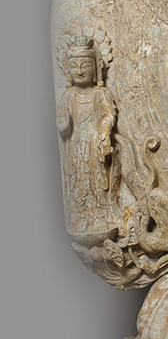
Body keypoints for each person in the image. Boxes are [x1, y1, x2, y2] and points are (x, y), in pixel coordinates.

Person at [57, 36, 118, 234]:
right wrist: (63, 125)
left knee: (98, 181)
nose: (80, 71)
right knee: (78, 182)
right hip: (76, 146)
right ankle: (81, 216)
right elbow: (63, 126)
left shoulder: (99, 94)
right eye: (74, 66)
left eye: (85, 65)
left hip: (94, 143)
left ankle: (100, 215)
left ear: (95, 69)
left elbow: (109, 115)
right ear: (68, 70)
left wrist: (104, 131)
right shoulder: (68, 96)